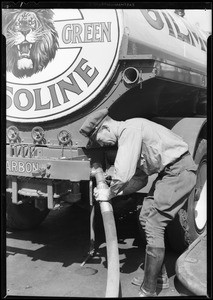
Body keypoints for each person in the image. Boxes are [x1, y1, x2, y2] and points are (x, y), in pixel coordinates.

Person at [79, 108, 197, 297]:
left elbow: (123, 174)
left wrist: (108, 193)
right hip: (169, 174)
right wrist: (111, 194)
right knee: (145, 216)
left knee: (153, 223)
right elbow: (139, 180)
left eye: (98, 138)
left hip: (179, 172)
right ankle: (159, 278)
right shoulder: (132, 134)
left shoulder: (129, 130)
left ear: (106, 127)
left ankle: (148, 290)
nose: (100, 143)